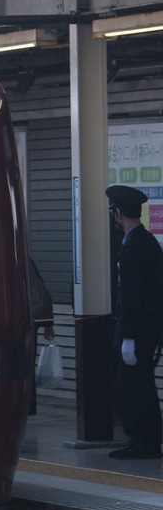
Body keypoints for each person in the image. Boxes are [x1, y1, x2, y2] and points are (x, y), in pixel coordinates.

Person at [106, 184, 163, 459]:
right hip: (145, 329)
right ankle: (143, 440)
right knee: (139, 385)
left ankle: (145, 442)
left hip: (138, 332)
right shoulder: (144, 241)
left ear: (117, 213)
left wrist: (127, 336)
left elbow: (132, 295)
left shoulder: (133, 246)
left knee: (133, 387)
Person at [29, 260, 55, 415]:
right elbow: (41, 292)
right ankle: (29, 405)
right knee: (28, 364)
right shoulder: (28, 262)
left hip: (20, 319)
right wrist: (48, 323)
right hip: (33, 318)